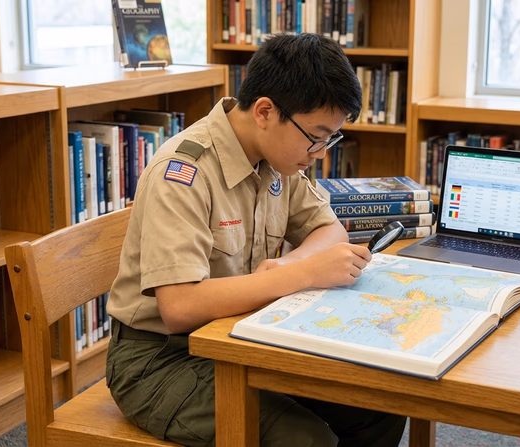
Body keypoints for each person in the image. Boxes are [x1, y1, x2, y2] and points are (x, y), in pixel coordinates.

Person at [105, 33, 407, 447]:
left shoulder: (277, 157)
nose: (320, 152)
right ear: (265, 111)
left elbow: (329, 228)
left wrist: (287, 265)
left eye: (330, 139)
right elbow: (179, 307)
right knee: (306, 440)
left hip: (238, 335)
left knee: (378, 408)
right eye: (316, 136)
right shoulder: (183, 173)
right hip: (160, 358)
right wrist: (300, 274)